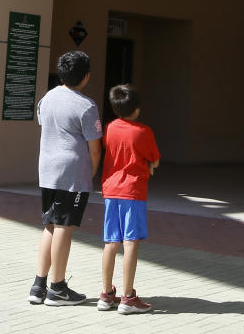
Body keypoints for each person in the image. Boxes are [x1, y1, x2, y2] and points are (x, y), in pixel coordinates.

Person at [28, 51, 103, 306]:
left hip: (47, 170)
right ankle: (57, 288)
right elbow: (95, 148)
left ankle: (39, 285)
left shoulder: (46, 99)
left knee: (50, 223)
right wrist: (90, 173)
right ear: (85, 77)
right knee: (63, 226)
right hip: (72, 173)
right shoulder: (87, 106)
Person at [97, 84, 160, 314]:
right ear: (136, 109)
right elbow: (154, 159)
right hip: (133, 191)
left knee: (110, 242)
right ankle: (128, 296)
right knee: (130, 241)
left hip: (110, 190)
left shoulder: (109, 128)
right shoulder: (144, 132)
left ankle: (106, 294)